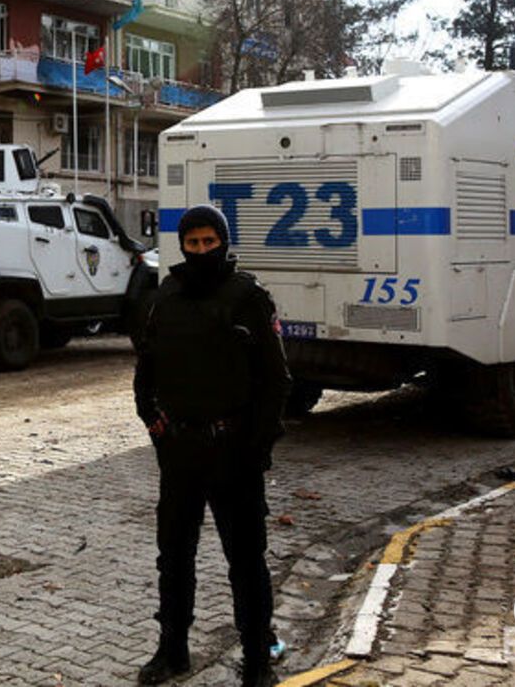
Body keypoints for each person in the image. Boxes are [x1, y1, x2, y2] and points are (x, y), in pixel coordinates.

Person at [133, 205, 292, 687]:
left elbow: (276, 380)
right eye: (192, 243)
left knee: (245, 559)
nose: (201, 251)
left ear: (223, 242)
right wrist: (154, 423)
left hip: (234, 453)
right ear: (181, 245)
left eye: (209, 242)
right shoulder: (166, 297)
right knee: (174, 556)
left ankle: (258, 658)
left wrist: (257, 447)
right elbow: (147, 371)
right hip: (181, 452)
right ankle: (173, 650)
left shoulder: (248, 298)